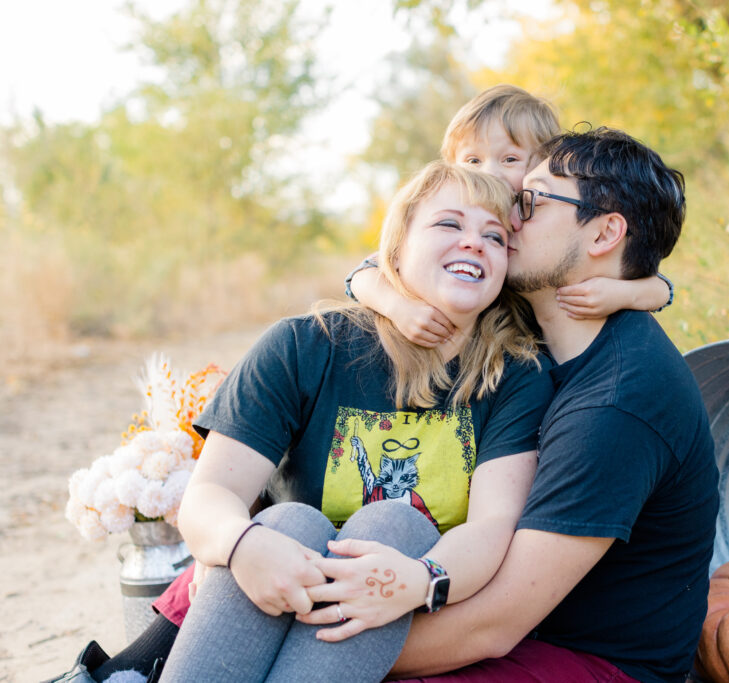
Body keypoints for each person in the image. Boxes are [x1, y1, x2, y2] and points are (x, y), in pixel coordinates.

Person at [49, 161, 553, 683]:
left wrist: (421, 580)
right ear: (396, 249)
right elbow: (210, 495)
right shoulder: (304, 346)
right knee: (287, 524)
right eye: (449, 224)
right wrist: (242, 546)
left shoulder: (515, 376)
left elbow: (492, 528)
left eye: (494, 236)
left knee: (397, 521)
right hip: (275, 589)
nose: (474, 243)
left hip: (405, 611)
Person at [349, 127, 717, 682]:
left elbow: (491, 626)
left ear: (604, 234)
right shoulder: (529, 345)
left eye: (532, 200)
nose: (509, 215)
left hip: (591, 662)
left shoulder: (619, 400)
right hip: (515, 625)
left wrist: (310, 638)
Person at [347, 84, 674, 347]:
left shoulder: (539, 232)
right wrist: (399, 308)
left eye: (509, 159)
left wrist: (622, 293)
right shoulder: (454, 231)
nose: (490, 172)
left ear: (541, 165)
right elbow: (367, 270)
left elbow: (661, 288)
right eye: (473, 160)